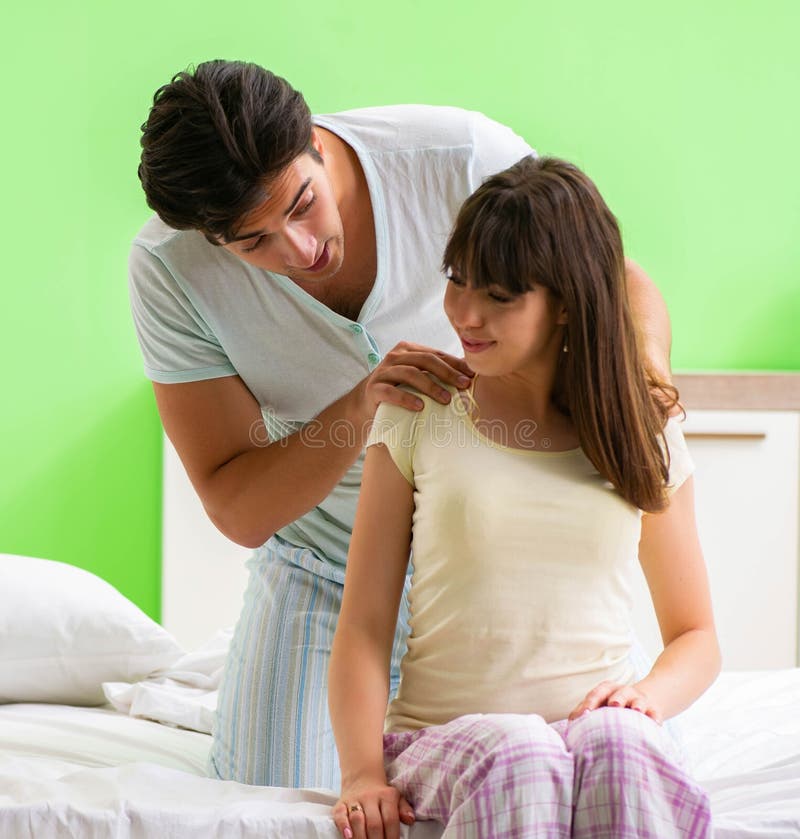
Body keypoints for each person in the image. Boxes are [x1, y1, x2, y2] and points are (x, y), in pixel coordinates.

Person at [130, 59, 675, 790]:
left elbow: (615, 282)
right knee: (272, 802)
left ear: (317, 143)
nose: (300, 252)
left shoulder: (461, 159)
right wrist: (359, 410)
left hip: (496, 562)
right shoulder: (169, 271)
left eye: (301, 204)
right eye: (252, 243)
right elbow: (236, 504)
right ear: (207, 238)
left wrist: (645, 387)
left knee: (594, 770)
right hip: (322, 569)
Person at [328, 155, 720, 838]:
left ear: (567, 301)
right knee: (523, 750)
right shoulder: (420, 411)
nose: (465, 312)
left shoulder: (642, 428)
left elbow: (697, 636)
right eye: (457, 280)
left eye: (501, 294)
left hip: (594, 739)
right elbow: (363, 623)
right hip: (446, 742)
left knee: (620, 743)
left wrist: (645, 698)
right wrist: (362, 773)